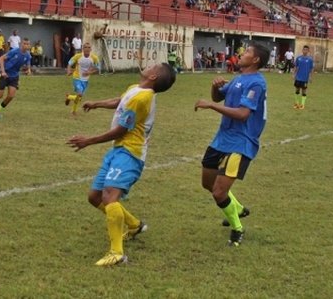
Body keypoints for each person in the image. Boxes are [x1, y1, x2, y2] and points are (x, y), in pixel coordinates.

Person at [67, 63, 176, 266]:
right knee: (94, 197)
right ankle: (134, 225)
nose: (149, 64)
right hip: (118, 150)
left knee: (109, 197)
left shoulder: (142, 98)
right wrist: (97, 103)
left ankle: (116, 253)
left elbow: (121, 131)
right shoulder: (136, 88)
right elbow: (120, 102)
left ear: (153, 76)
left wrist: (88, 141)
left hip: (130, 153)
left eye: (153, 66)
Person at [194, 42, 269, 247]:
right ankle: (237, 208)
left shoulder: (256, 83)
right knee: (207, 183)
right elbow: (219, 95)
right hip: (222, 139)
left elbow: (244, 115)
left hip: (241, 143)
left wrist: (211, 106)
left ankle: (237, 229)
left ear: (255, 60)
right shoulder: (239, 78)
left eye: (246, 52)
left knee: (219, 192)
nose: (241, 54)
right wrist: (215, 86)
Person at [0, 37, 31, 119]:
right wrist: (3, 71)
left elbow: (28, 66)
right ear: (21, 44)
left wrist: (28, 70)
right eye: (24, 43)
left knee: (11, 96)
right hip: (5, 74)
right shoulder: (15, 51)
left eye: (27, 44)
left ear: (29, 46)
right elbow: (1, 58)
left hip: (14, 77)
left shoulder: (28, 56)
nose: (26, 45)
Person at [65, 42, 100, 115]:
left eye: (88, 47)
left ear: (91, 49)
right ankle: (73, 111)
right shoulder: (78, 56)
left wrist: (89, 72)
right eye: (85, 47)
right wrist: (68, 71)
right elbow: (69, 63)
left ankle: (69, 97)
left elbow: (98, 68)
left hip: (85, 80)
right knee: (80, 94)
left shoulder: (94, 58)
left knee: (79, 97)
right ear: (82, 49)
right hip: (77, 78)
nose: (87, 49)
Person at [293, 45, 315, 110]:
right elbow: (296, 67)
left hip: (305, 78)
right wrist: (294, 74)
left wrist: (310, 77)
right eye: (304, 49)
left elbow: (311, 69)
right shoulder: (298, 58)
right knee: (297, 90)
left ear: (308, 51)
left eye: (306, 50)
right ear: (302, 50)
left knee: (304, 91)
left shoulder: (310, 59)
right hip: (298, 78)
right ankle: (296, 103)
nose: (305, 51)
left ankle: (302, 104)